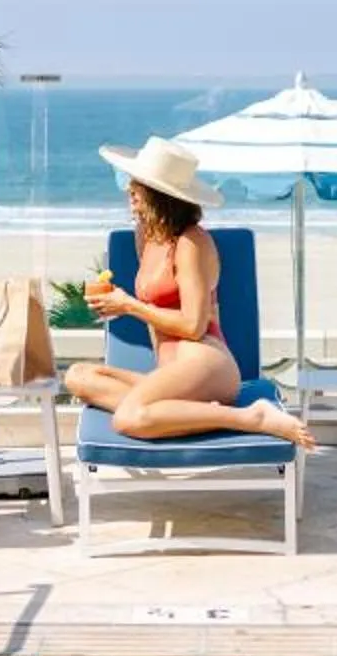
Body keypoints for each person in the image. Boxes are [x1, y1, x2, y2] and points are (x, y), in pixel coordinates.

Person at [63, 137, 314, 450]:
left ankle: (251, 417)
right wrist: (115, 303)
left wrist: (128, 305)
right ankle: (180, 412)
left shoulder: (190, 243)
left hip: (205, 363)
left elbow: (193, 326)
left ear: (160, 194)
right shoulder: (147, 237)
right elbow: (156, 305)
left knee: (128, 418)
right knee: (77, 376)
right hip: (173, 370)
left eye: (138, 184)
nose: (129, 189)